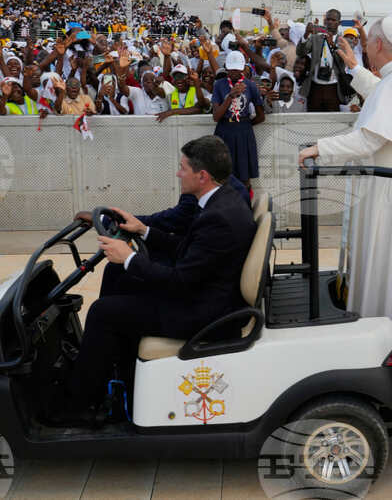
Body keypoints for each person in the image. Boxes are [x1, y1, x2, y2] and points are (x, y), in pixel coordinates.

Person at [64, 137, 256, 421]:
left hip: (204, 313)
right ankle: (106, 362)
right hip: (206, 294)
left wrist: (129, 257)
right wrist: (143, 231)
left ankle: (78, 405)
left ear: (201, 176)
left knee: (103, 312)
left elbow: (180, 281)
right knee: (118, 273)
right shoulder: (220, 199)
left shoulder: (219, 216)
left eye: (183, 168)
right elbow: (188, 251)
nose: (179, 174)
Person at [298, 16, 392, 326]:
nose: (366, 45)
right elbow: (382, 94)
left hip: (389, 189)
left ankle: (381, 326)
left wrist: (319, 148)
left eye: (368, 40)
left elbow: (369, 139)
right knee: (391, 260)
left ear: (380, 44)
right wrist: (355, 67)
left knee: (385, 260)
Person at [211, 50, 265, 193]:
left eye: (237, 69)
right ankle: (225, 211)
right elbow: (216, 117)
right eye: (231, 69)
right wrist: (231, 96)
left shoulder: (251, 86)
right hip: (224, 131)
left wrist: (244, 124)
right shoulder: (219, 85)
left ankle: (246, 210)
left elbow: (261, 116)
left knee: (244, 178)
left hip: (243, 132)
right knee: (222, 177)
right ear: (226, 67)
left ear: (243, 68)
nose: (234, 72)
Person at [296, 9, 350, 111]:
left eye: (333, 20)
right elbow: (300, 52)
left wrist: (333, 45)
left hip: (334, 87)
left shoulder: (343, 41)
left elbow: (345, 61)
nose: (329, 22)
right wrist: (306, 35)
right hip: (315, 86)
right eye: (328, 19)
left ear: (339, 23)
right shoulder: (316, 38)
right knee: (313, 119)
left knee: (332, 121)